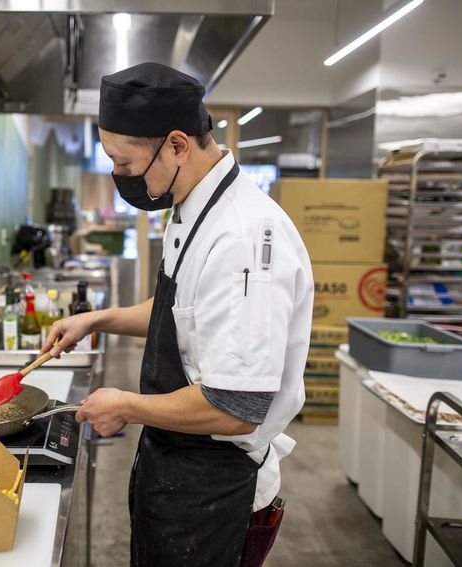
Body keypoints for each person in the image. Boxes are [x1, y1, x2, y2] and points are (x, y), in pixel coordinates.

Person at [41, 62, 314, 566]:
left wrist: (124, 405)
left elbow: (235, 408)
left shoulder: (242, 239)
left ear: (176, 145)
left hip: (216, 487)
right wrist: (96, 320)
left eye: (124, 163)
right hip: (177, 465)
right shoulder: (191, 205)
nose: (119, 176)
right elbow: (180, 310)